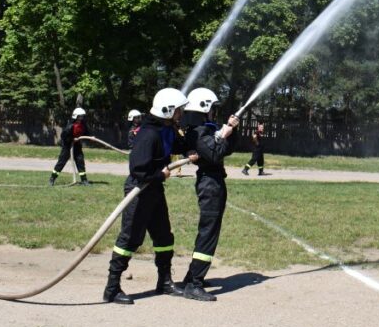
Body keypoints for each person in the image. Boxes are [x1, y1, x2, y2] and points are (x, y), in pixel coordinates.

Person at [103, 88, 195, 305]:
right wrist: (159, 174)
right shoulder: (148, 133)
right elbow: (137, 168)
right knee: (130, 239)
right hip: (139, 190)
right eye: (179, 110)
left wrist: (190, 148)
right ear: (168, 110)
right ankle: (112, 288)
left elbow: (178, 145)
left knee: (163, 236)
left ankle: (164, 281)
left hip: (154, 189)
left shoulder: (166, 129)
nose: (181, 113)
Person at [175, 87, 239, 301]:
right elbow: (214, 155)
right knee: (208, 232)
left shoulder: (201, 129)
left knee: (208, 231)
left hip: (213, 182)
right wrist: (224, 135)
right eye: (212, 108)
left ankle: (190, 277)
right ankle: (194, 284)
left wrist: (230, 131)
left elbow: (226, 150)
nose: (214, 112)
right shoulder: (199, 132)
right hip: (210, 184)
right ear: (204, 107)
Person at [50, 107, 90, 186]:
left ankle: (84, 180)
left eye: (82, 116)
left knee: (80, 161)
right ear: (76, 116)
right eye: (80, 116)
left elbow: (87, 133)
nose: (81, 118)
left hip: (77, 146)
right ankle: (52, 178)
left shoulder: (83, 125)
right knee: (61, 162)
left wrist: (90, 137)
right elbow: (63, 136)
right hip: (67, 146)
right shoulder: (71, 125)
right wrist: (71, 139)